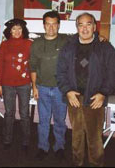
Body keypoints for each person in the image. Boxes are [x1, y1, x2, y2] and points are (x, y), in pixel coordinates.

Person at [56, 12, 115, 167]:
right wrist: (67, 91)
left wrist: (103, 93)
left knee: (94, 136)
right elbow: (60, 72)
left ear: (94, 26)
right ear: (77, 27)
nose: (85, 28)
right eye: (81, 25)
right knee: (76, 135)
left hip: (95, 98)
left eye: (88, 24)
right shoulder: (68, 48)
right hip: (74, 97)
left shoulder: (105, 48)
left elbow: (114, 74)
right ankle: (77, 162)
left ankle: (96, 164)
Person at [29, 11, 68, 161]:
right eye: (48, 24)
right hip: (42, 88)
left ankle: (59, 146)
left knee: (59, 120)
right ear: (44, 25)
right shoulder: (36, 44)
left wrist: (99, 37)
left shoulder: (66, 41)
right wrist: (34, 87)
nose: (51, 27)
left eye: (54, 24)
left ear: (58, 25)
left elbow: (85, 39)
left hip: (60, 89)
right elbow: (32, 67)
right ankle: (42, 147)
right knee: (43, 121)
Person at [0, 18, 32, 153]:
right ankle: (7, 139)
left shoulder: (29, 43)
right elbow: (0, 65)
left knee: (24, 114)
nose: (17, 31)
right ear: (9, 31)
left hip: (24, 84)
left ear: (23, 30)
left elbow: (33, 65)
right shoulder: (4, 44)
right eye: (14, 29)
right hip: (7, 84)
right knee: (9, 113)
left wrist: (34, 85)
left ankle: (26, 141)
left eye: (19, 29)